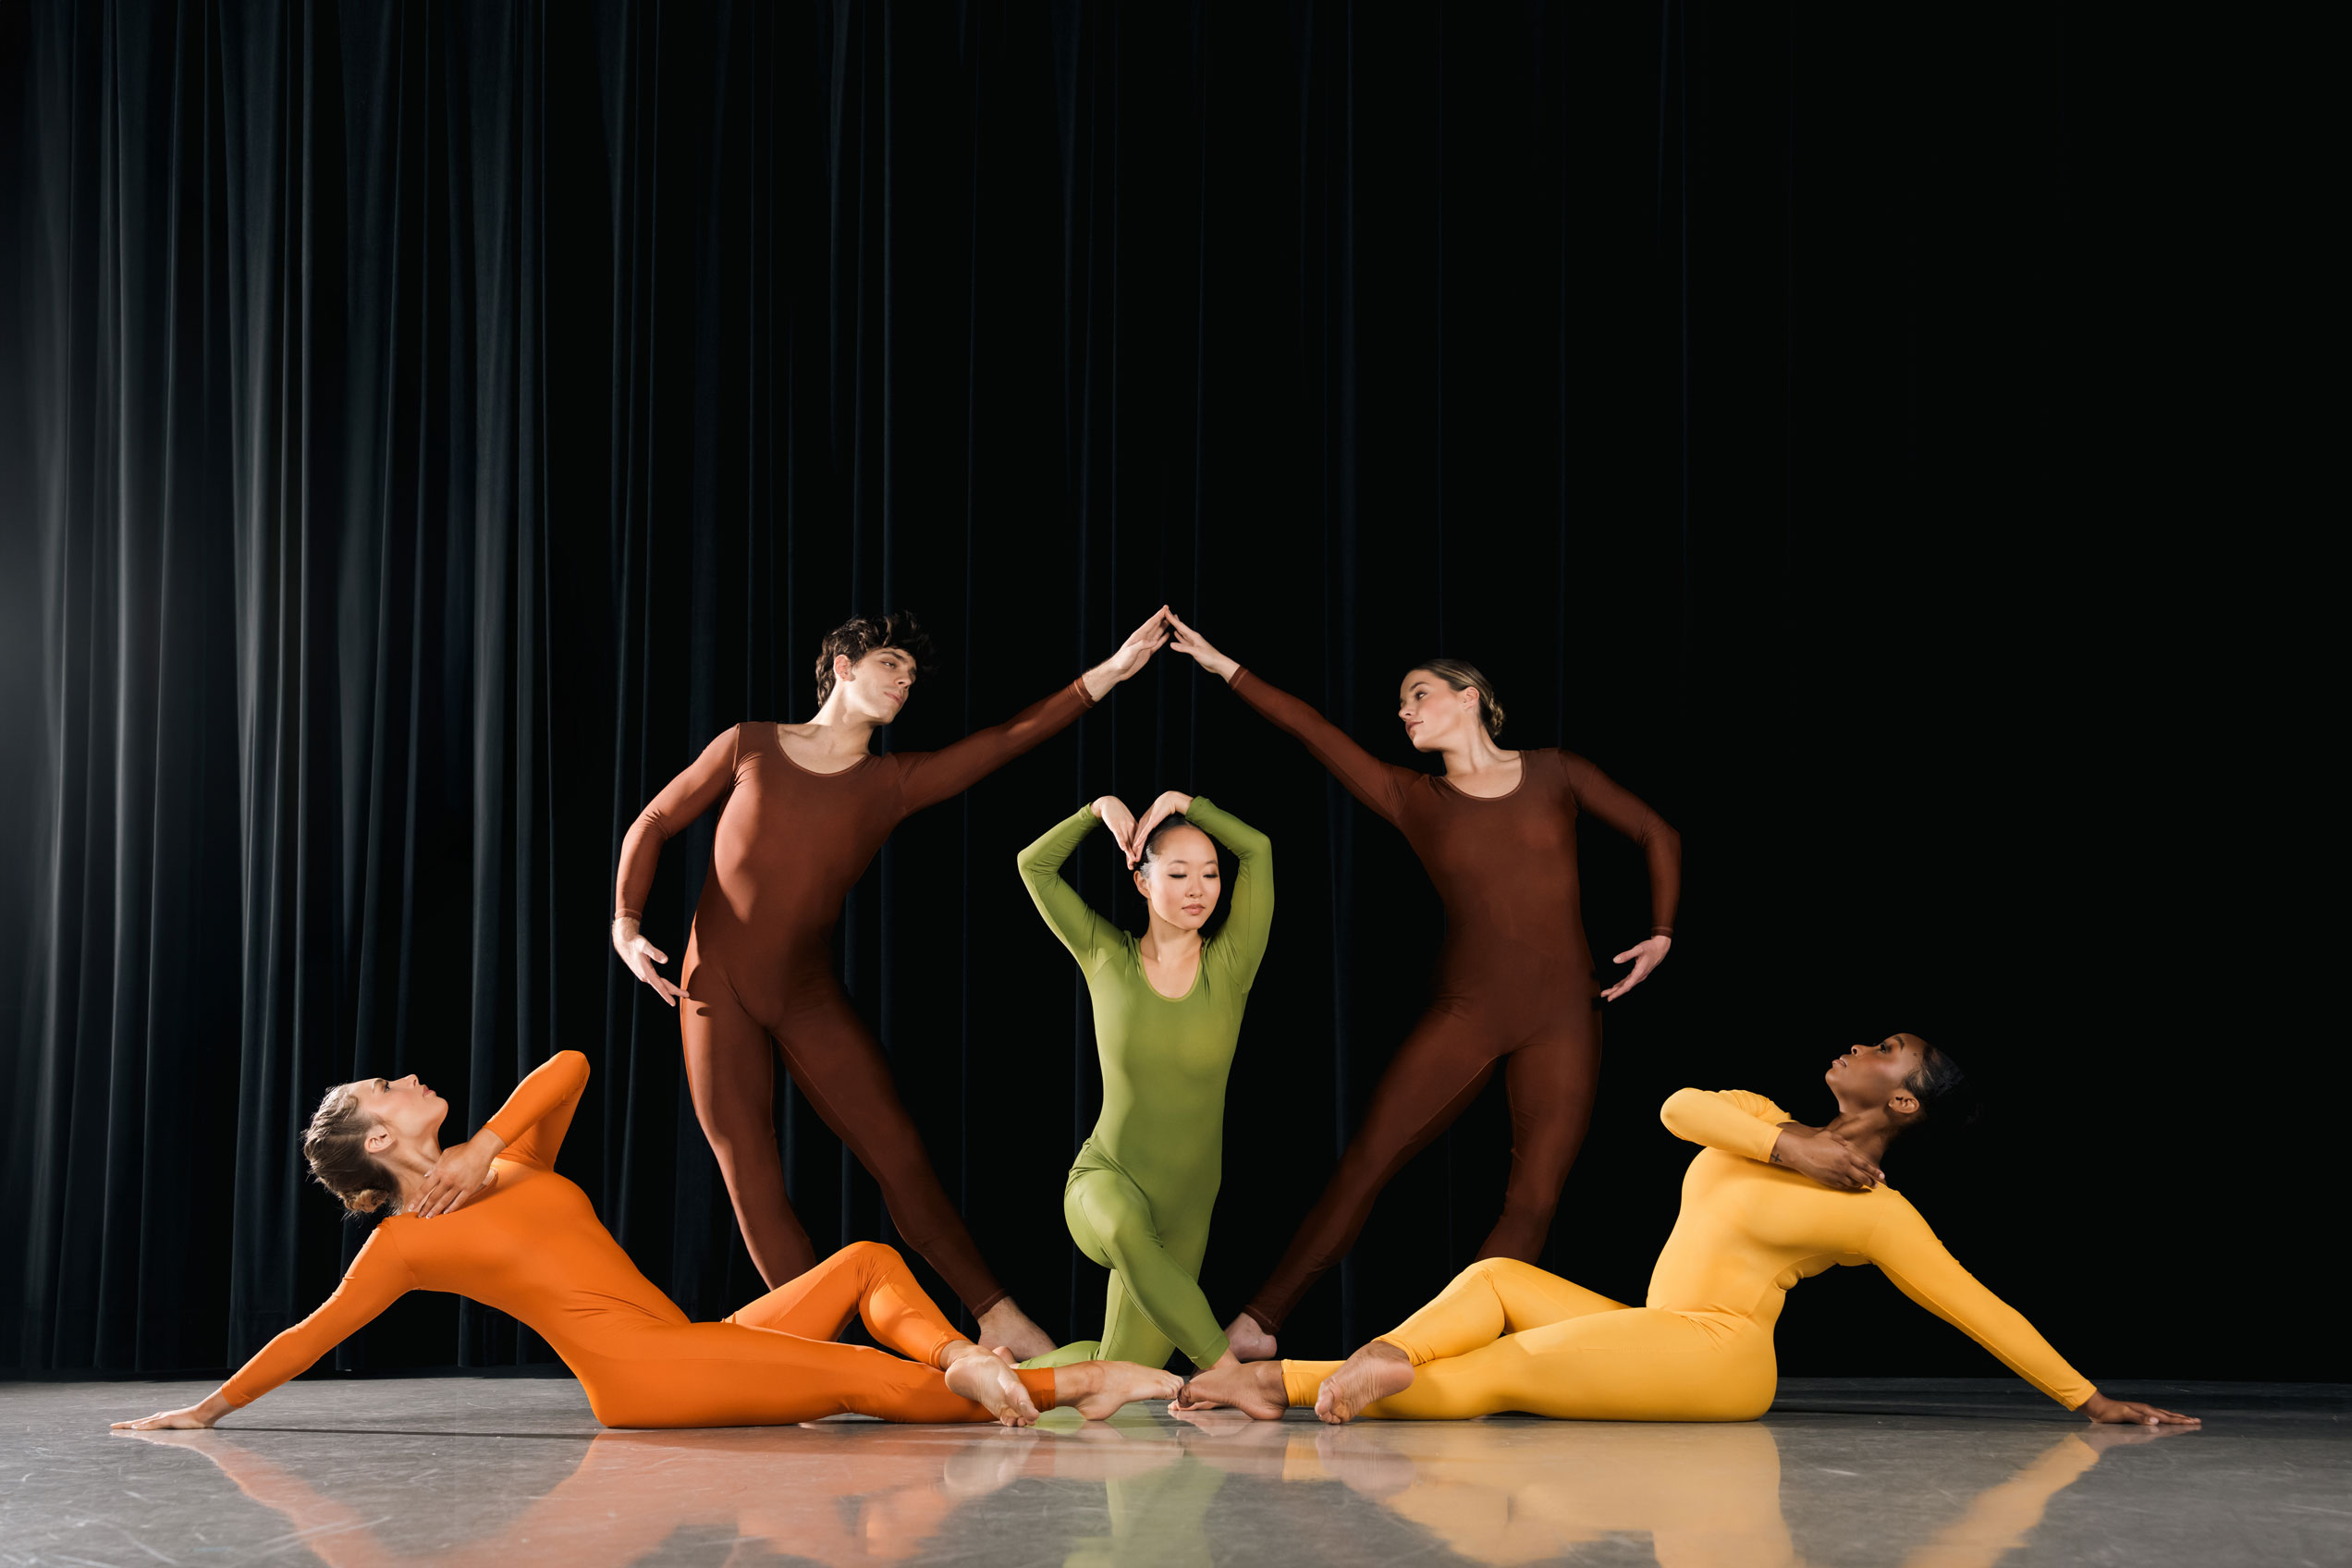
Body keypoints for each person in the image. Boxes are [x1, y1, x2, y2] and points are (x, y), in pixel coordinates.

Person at [612, 608, 1173, 1360]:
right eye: (890, 666)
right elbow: (652, 819)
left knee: (897, 1150)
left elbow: (1004, 742)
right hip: (714, 988)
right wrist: (624, 921)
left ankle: (998, 1315)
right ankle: (823, 1349)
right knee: (748, 1165)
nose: (905, 683)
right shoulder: (749, 745)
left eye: (911, 676)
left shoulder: (891, 783)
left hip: (804, 993)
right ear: (843, 667)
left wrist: (1107, 673)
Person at [108, 1052, 1181, 1433]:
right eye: (390, 1086)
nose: (409, 1077)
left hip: (683, 1341)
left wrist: (484, 1146)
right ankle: (1057, 1390)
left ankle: (961, 1358)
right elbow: (314, 1331)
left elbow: (570, 1065)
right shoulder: (404, 1243)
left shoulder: (507, 1165)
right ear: (380, 1137)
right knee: (856, 1376)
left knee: (860, 1263)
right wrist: (209, 1407)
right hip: (643, 1375)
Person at [1171, 1034, 2199, 1429]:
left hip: (1717, 1358)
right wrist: (1792, 1145)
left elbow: (1972, 1302)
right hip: (1655, 1328)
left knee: (1516, 1361)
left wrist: (2087, 1395)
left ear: (1906, 1107)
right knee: (1494, 1276)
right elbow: (1676, 1105)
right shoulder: (1764, 1123)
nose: (1862, 1044)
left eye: (1890, 1050)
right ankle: (1382, 1358)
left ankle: (1281, 1382)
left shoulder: (1879, 1215)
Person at [1166, 611, 1680, 1357]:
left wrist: (1661, 932)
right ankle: (1257, 1326)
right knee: (1369, 1161)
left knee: (1532, 1197)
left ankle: (1435, 1351)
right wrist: (1222, 665)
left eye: (1419, 695)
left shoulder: (1555, 771)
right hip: (1468, 1011)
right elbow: (1312, 729)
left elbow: (1657, 832)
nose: (1403, 711)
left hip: (1566, 1016)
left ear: (1469, 697)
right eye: (1401, 702)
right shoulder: (1414, 799)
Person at [1014, 788, 1273, 1376]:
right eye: (1178, 873)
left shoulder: (1232, 965)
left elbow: (1256, 850)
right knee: (1127, 1225)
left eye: (1210, 874)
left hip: (1186, 1213)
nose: (1198, 888)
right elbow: (1034, 865)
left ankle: (1002, 1378)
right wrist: (1098, 809)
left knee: (1119, 1384)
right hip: (1104, 1185)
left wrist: (1186, 802)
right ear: (1142, 882)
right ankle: (1228, 1375)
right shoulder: (1106, 955)